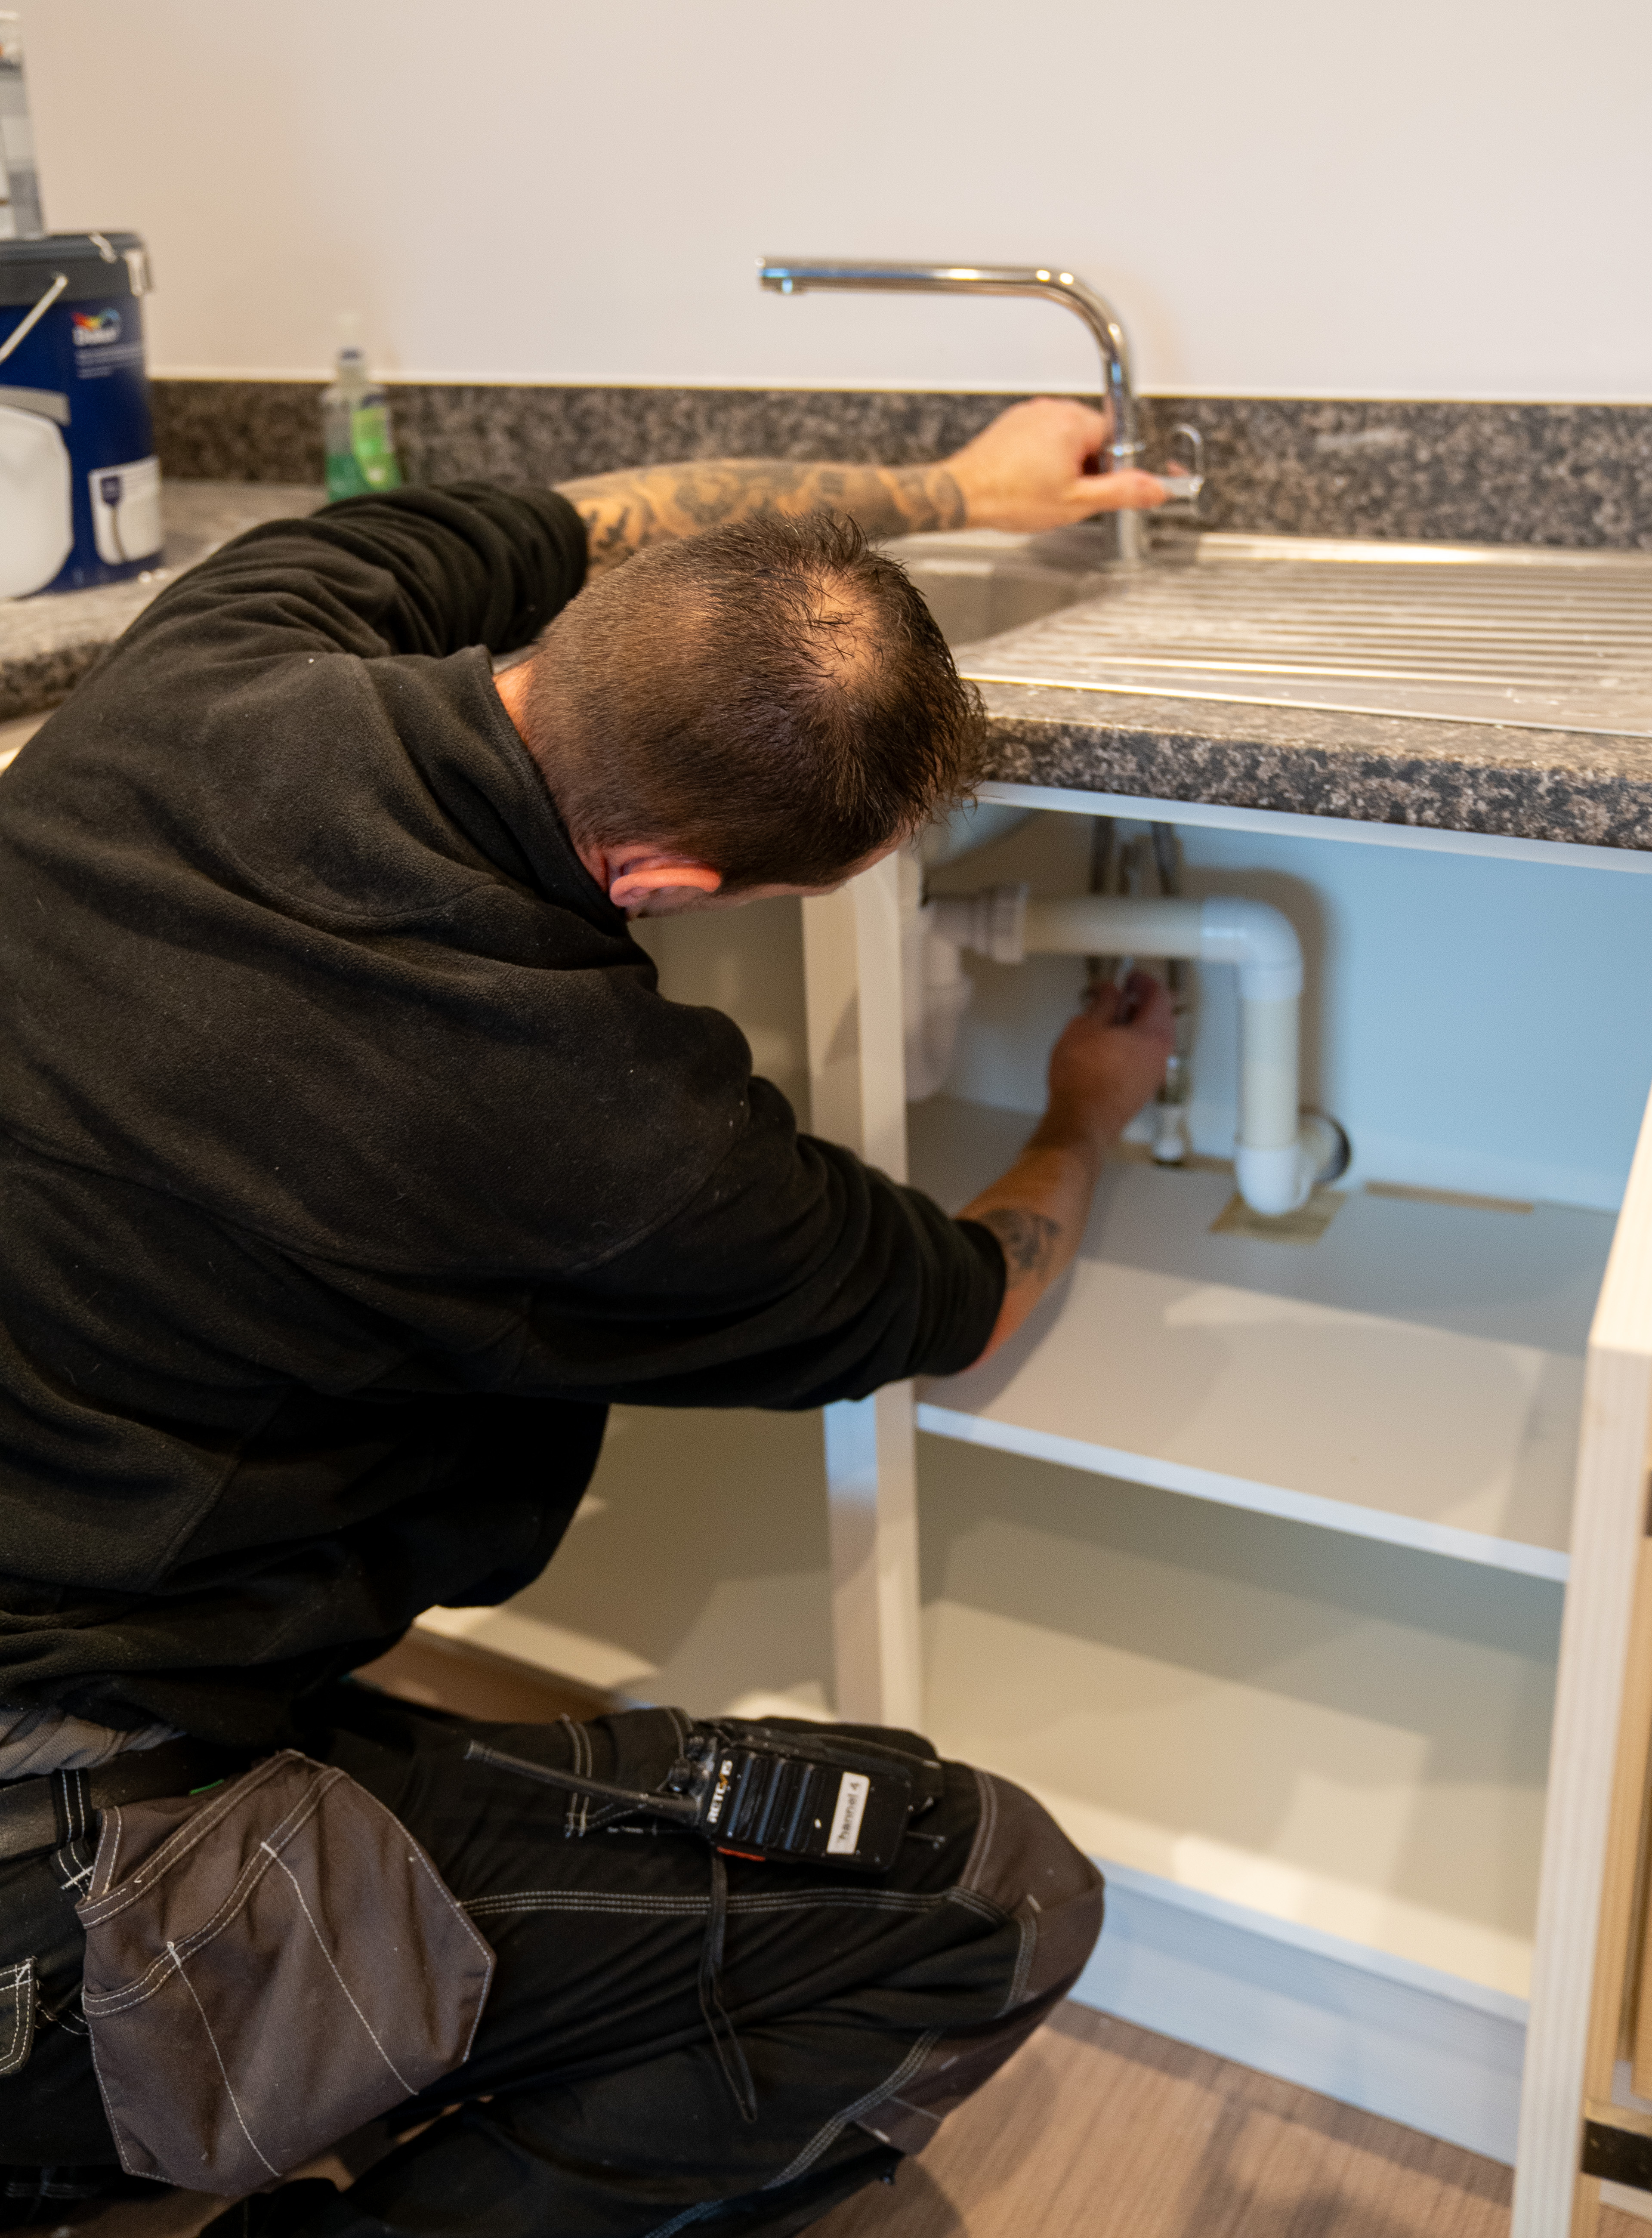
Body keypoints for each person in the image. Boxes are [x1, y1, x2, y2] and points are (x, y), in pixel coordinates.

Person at [0, 399, 1173, 2234]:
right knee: (986, 1896)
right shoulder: (619, 1136)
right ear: (672, 889)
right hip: (55, 1880)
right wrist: (1081, 1120)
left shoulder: (227, 644)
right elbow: (959, 1297)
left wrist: (956, 488)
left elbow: (590, 508)